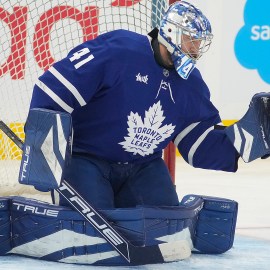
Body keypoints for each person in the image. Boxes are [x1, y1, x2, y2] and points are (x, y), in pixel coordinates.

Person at [20, 1, 268, 209]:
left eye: (199, 43)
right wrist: (45, 159)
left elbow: (200, 146)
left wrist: (250, 138)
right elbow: (52, 89)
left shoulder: (191, 83)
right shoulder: (119, 51)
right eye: (191, 39)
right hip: (85, 160)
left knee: (168, 229)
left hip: (143, 168)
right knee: (90, 234)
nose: (195, 49)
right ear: (171, 32)